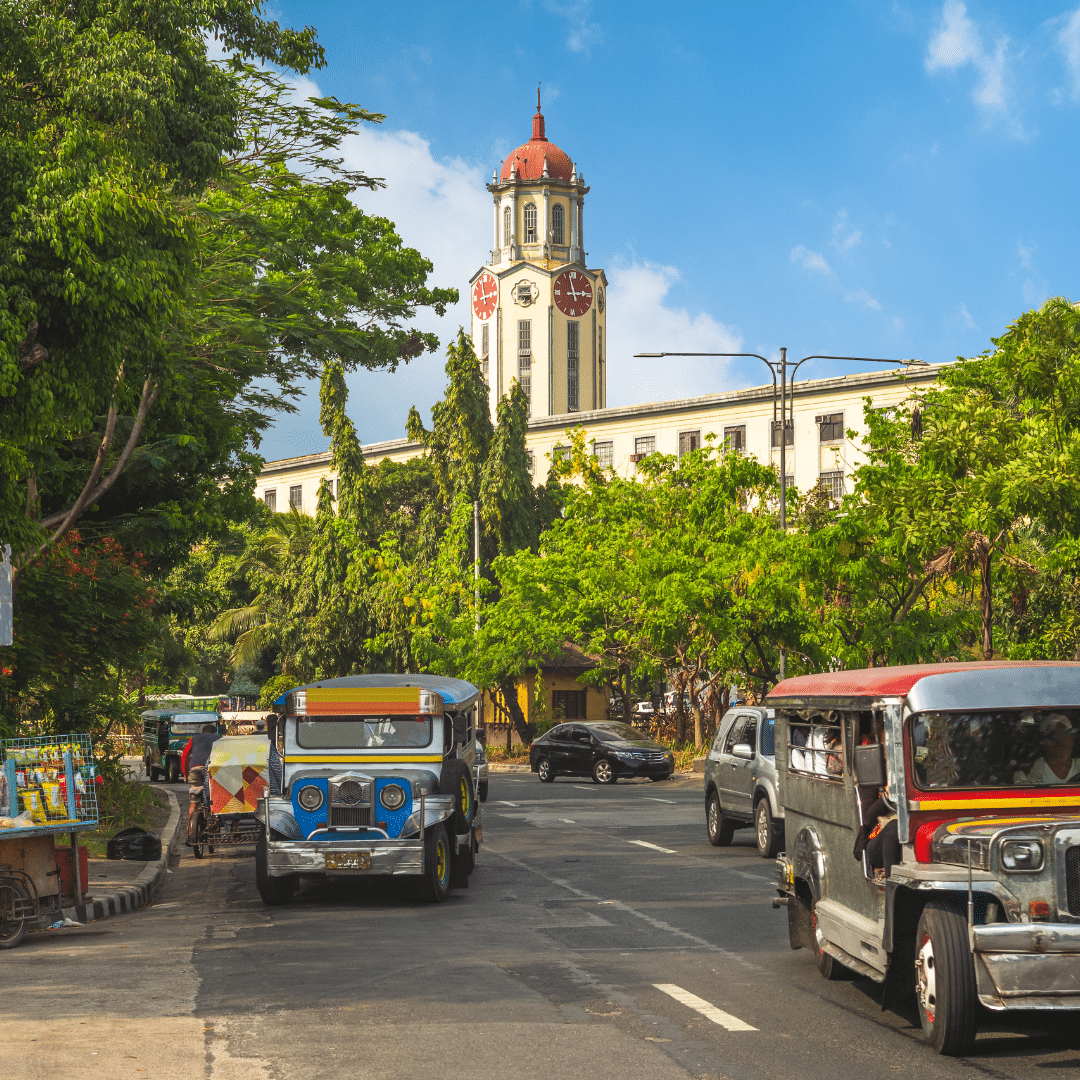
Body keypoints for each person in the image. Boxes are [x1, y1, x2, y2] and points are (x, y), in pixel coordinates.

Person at [853, 786, 900, 885]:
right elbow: (867, 820)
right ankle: (892, 888)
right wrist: (886, 796)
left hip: (910, 832)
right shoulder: (873, 779)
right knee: (895, 827)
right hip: (877, 841)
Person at [1015, 714, 1080, 784]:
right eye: (1052, 735)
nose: (1060, 740)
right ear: (1043, 742)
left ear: (1072, 740)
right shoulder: (1029, 772)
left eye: (1064, 734)